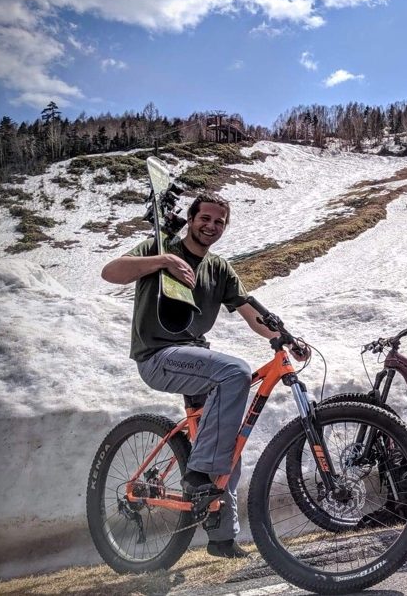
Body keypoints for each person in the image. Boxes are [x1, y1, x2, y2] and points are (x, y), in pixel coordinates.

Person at [101, 192, 308, 558]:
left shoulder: (219, 269)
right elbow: (111, 272)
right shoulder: (159, 247)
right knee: (234, 373)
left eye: (219, 222)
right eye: (205, 218)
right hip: (158, 356)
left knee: (227, 441)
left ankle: (222, 538)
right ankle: (197, 476)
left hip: (196, 360)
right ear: (192, 218)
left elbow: (249, 311)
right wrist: (162, 261)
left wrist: (284, 338)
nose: (211, 226)